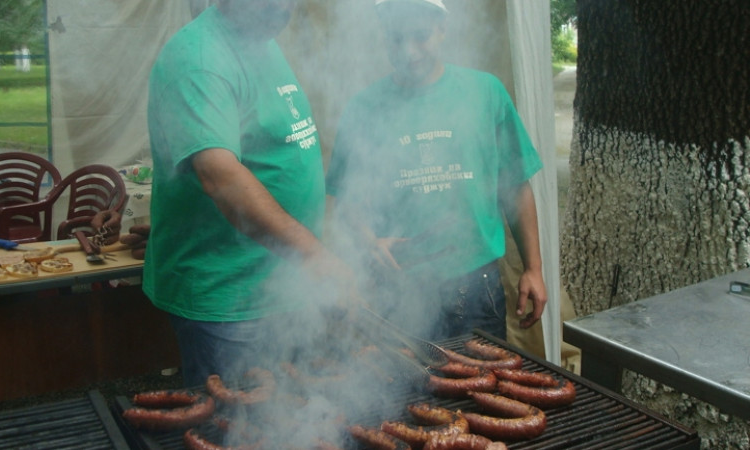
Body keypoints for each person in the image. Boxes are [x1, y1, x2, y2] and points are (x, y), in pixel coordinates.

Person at [143, 0, 354, 387]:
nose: (283, 6)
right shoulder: (199, 58)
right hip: (229, 303)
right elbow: (220, 178)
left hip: (282, 285)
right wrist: (314, 255)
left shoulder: (261, 37)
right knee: (237, 432)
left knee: (289, 422)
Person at [325, 0, 547, 342]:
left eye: (420, 36)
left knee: (481, 385)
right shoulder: (363, 109)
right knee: (404, 394)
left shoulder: (486, 93)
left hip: (477, 288)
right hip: (398, 288)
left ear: (442, 29)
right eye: (396, 39)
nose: (409, 51)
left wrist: (533, 268)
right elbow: (345, 199)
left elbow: (515, 186)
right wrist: (369, 241)